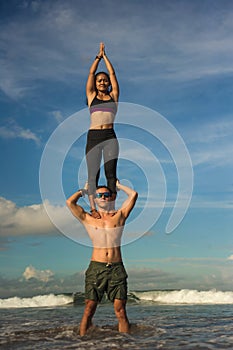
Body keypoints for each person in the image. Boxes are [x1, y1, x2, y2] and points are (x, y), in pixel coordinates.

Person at [66, 180, 138, 336]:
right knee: (89, 309)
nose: (104, 197)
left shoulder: (119, 216)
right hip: (96, 267)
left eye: (107, 195)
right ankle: (82, 344)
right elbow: (70, 202)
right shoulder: (88, 218)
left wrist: (118, 186)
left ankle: (125, 344)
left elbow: (133, 195)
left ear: (112, 198)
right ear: (95, 198)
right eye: (100, 195)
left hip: (117, 268)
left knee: (120, 311)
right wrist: (84, 191)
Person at [85, 42, 119, 218]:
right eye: (100, 80)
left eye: (105, 80)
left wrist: (106, 57)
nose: (103, 82)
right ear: (96, 84)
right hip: (94, 136)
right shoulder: (91, 97)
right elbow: (91, 73)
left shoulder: (114, 96)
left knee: (111, 173)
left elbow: (113, 74)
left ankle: (111, 207)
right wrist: (97, 58)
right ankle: (93, 209)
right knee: (93, 174)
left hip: (110, 136)